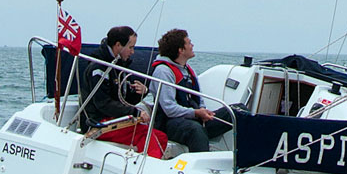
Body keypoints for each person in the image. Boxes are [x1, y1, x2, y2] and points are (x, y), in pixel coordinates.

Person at [78, 25, 168, 158]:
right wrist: (135, 112)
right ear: (118, 45)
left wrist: (141, 92)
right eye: (131, 47)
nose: (132, 52)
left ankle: (140, 165)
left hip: (115, 120)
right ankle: (148, 170)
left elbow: (123, 100)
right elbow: (103, 103)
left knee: (161, 137)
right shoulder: (98, 68)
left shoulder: (119, 66)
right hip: (98, 123)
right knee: (144, 134)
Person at [147, 28, 233, 153]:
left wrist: (202, 111)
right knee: (195, 129)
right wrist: (196, 113)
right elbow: (169, 108)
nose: (192, 46)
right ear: (181, 50)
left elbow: (199, 97)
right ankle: (203, 166)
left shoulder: (187, 70)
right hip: (169, 123)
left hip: (193, 118)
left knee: (236, 112)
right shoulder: (163, 72)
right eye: (189, 43)